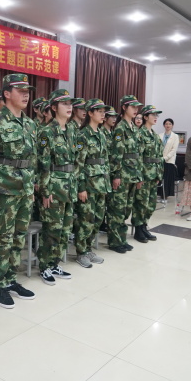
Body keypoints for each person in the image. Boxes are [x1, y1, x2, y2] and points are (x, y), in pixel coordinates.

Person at [0, 73, 38, 308]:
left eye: (27, 91)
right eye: (20, 91)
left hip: (25, 190)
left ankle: (11, 278)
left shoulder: (30, 124)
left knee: (18, 237)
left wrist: (32, 187)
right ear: (6, 94)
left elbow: (32, 159)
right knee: (2, 238)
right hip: (3, 190)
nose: (25, 95)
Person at [37, 89, 78, 284]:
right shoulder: (46, 132)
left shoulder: (71, 130)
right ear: (54, 107)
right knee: (52, 230)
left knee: (65, 230)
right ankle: (44, 265)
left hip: (69, 187)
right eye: (64, 104)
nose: (69, 107)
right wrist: (45, 191)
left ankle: (55, 263)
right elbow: (43, 165)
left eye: (70, 104)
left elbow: (75, 161)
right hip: (54, 188)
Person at [73, 98, 111, 268]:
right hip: (88, 185)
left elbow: (105, 161)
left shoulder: (101, 134)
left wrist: (107, 183)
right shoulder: (82, 135)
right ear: (90, 113)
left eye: (104, 112)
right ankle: (81, 252)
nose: (103, 114)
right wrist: (81, 187)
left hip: (101, 184)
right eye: (99, 111)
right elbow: (78, 164)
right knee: (85, 220)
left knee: (97, 219)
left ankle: (88, 248)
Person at [106, 95, 144, 253]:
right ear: (124, 107)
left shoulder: (134, 128)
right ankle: (115, 241)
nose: (136, 109)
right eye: (132, 107)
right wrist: (116, 175)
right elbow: (116, 154)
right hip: (122, 175)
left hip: (132, 175)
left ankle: (122, 238)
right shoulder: (120, 128)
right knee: (117, 209)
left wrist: (139, 176)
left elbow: (138, 154)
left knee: (127, 208)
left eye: (137, 107)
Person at [132, 105, 164, 242]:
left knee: (150, 204)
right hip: (144, 174)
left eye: (157, 115)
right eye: (153, 115)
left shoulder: (155, 135)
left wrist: (159, 174)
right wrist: (139, 177)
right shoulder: (140, 134)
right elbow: (138, 157)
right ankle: (138, 229)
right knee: (141, 202)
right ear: (145, 117)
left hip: (153, 174)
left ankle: (144, 226)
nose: (156, 117)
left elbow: (160, 156)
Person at [159, 118, 179, 198]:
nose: (168, 125)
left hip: (169, 160)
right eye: (166, 124)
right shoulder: (159, 135)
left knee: (167, 178)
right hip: (160, 159)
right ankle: (159, 194)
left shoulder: (175, 136)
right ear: (164, 125)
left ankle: (165, 195)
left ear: (172, 125)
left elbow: (174, 149)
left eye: (170, 124)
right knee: (160, 177)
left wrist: (166, 158)